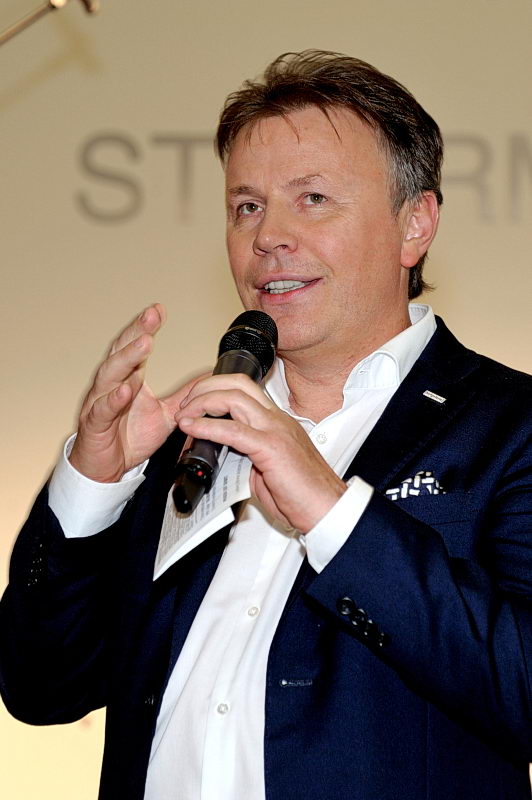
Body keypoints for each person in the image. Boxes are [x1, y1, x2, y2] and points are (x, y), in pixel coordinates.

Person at [1, 50, 531, 800]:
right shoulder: (192, 433)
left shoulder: (510, 426)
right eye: (247, 206)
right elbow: (41, 687)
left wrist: (334, 514)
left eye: (312, 198)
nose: (268, 236)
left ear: (415, 224)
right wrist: (92, 487)